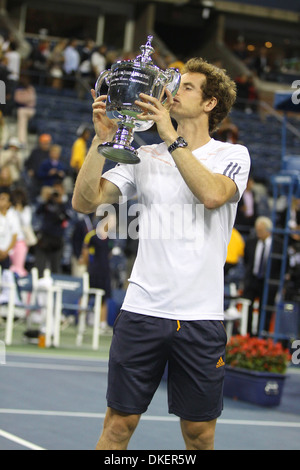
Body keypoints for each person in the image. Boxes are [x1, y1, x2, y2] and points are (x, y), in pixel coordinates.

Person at [72, 57, 251, 450]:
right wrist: (102, 142)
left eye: (186, 87)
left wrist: (172, 137)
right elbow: (87, 202)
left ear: (210, 104)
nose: (173, 91)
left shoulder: (232, 156)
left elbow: (211, 195)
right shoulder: (146, 155)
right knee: (118, 427)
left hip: (200, 318)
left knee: (200, 436)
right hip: (141, 311)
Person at [242, 216, 282, 336]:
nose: (258, 233)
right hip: (252, 280)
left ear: (268, 230)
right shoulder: (251, 242)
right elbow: (246, 260)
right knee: (248, 307)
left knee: (265, 310)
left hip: (269, 281)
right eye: (257, 230)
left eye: (261, 231)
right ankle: (248, 335)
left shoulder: (279, 245)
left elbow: (281, 265)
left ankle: (262, 335)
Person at [35, 183, 71, 276]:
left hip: (57, 239)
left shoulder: (65, 205)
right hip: (45, 237)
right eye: (55, 190)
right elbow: (38, 212)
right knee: (40, 266)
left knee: (55, 267)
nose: (56, 193)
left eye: (59, 191)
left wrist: (59, 202)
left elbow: (67, 217)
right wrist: (45, 199)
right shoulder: (47, 203)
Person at [0, 187, 19, 271]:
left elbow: (14, 236)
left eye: (3, 199)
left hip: (6, 253)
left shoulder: (13, 217)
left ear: (9, 203)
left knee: (6, 275)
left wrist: (6, 251)